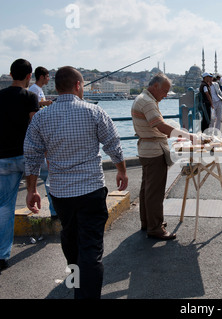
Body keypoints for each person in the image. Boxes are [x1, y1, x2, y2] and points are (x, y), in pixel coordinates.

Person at [24, 66, 128, 299]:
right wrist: (121, 170)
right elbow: (113, 143)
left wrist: (31, 190)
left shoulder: (42, 116)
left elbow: (31, 156)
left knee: (70, 237)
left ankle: (75, 277)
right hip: (91, 190)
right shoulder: (94, 112)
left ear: (57, 87)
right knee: (90, 248)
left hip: (60, 193)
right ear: (78, 85)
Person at [131, 73, 195, 241]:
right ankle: (155, 228)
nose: (166, 95)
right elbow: (159, 125)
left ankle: (148, 222)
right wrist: (188, 136)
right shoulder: (148, 102)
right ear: (156, 86)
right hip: (153, 151)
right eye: (165, 91)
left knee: (147, 190)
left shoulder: (144, 98)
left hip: (146, 148)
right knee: (155, 192)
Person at [0, 59, 39, 271]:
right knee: (51, 178)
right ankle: (56, 212)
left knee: (4, 206)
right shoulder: (30, 96)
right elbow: (34, 124)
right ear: (28, 76)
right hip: (26, 155)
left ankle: (1, 255)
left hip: (3, 158)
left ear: (10, 74)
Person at [28, 66, 57, 219]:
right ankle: (54, 211)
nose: (48, 79)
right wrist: (47, 103)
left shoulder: (37, 89)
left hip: (38, 131)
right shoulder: (34, 89)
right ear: (41, 77)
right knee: (47, 175)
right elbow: (33, 105)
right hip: (38, 132)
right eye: (47, 76)